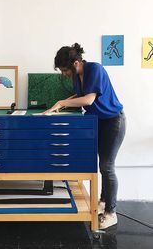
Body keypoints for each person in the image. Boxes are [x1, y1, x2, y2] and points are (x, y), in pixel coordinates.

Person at [43, 43, 126, 229]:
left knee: (107, 166)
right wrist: (59, 105)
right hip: (97, 121)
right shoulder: (77, 76)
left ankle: (111, 213)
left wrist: (63, 102)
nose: (64, 74)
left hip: (113, 121)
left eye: (65, 69)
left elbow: (89, 99)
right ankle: (103, 202)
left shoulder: (94, 68)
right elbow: (79, 95)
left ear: (75, 62)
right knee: (99, 163)